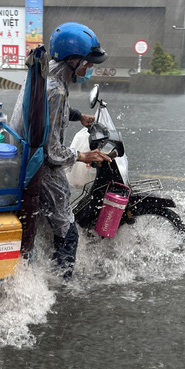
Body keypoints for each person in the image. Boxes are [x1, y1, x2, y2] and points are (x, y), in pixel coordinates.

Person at [39, 22, 111, 278]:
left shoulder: (50, 78)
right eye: (86, 63)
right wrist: (83, 155)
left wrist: (79, 116)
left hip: (37, 161)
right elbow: (53, 152)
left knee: (58, 223)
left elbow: (53, 116)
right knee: (68, 232)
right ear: (72, 60)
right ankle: (62, 281)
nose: (88, 68)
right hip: (44, 169)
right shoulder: (55, 91)